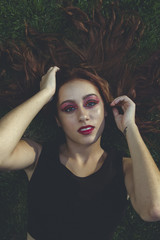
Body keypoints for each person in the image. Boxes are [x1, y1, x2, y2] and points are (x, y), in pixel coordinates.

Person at [0, 2, 160, 240]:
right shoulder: (38, 155)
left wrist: (130, 128)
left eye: (91, 103)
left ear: (106, 109)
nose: (83, 115)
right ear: (58, 120)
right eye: (69, 108)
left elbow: (154, 209)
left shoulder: (124, 167)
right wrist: (44, 95)